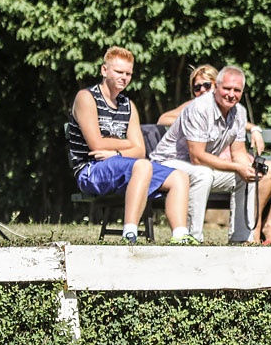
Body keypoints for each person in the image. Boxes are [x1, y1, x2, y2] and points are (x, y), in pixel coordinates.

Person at [157, 64, 271, 244]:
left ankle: (242, 238)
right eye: (226, 88)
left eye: (237, 90)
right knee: (204, 174)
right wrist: (237, 166)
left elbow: (238, 151)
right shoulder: (199, 108)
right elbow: (197, 157)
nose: (231, 94)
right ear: (216, 87)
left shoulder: (239, 112)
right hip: (169, 163)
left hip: (197, 166)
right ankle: (193, 238)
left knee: (245, 177)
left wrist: (247, 169)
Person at [66, 46, 195, 245]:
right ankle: (130, 233)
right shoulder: (87, 98)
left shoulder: (128, 105)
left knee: (179, 176)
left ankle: (180, 236)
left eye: (128, 74)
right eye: (119, 72)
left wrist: (116, 151)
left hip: (124, 168)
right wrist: (128, 144)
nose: (124, 78)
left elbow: (140, 149)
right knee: (142, 165)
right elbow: (96, 143)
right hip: (90, 170)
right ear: (104, 70)